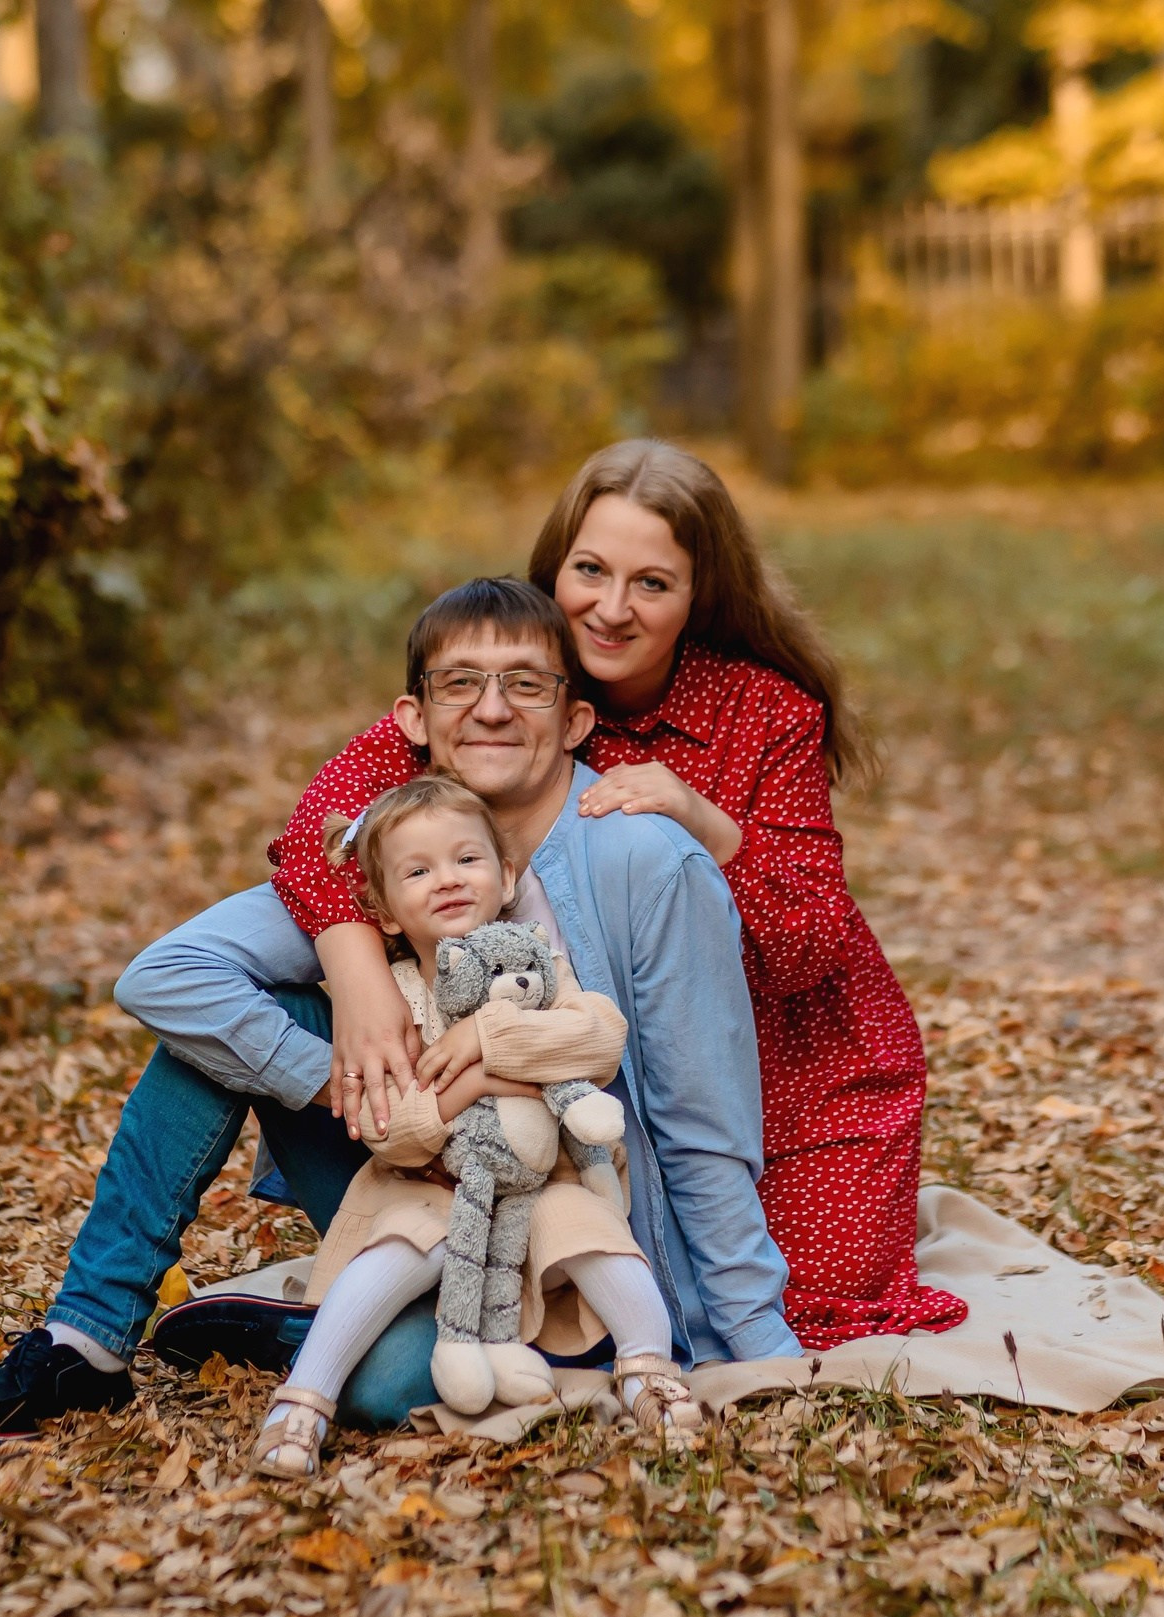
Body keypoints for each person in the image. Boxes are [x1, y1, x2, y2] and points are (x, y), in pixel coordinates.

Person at [0, 577, 800, 1443]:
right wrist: (369, 1052)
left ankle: (276, 1317)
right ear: (413, 719)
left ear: (574, 717)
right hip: (414, 1178)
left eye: (524, 684)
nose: (491, 709)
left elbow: (697, 1112)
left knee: (385, 1389)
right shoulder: (384, 862)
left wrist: (750, 1340)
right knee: (214, 1038)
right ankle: (86, 1341)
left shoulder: (635, 853)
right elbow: (165, 976)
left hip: (565, 1234)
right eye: (461, 684)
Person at [273, 440, 966, 1351]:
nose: (610, 608)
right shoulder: (505, 680)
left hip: (799, 1058)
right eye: (590, 570)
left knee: (801, 1299)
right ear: (555, 567)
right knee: (606, 1260)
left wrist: (702, 816)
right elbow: (314, 829)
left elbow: (809, 945)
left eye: (652, 583)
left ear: (698, 596)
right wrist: (361, 978)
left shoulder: (763, 712)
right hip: (595, 1053)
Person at [250, 777, 699, 1479]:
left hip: (543, 1179)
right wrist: (470, 1091)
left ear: (507, 875)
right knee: (401, 1245)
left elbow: (599, 1038)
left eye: (467, 859)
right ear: (384, 909)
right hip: (431, 1183)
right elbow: (388, 1128)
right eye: (418, 870)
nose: (448, 880)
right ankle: (304, 1400)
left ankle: (649, 1366)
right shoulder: (390, 999)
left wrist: (488, 1046)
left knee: (588, 1227)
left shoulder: (541, 968)